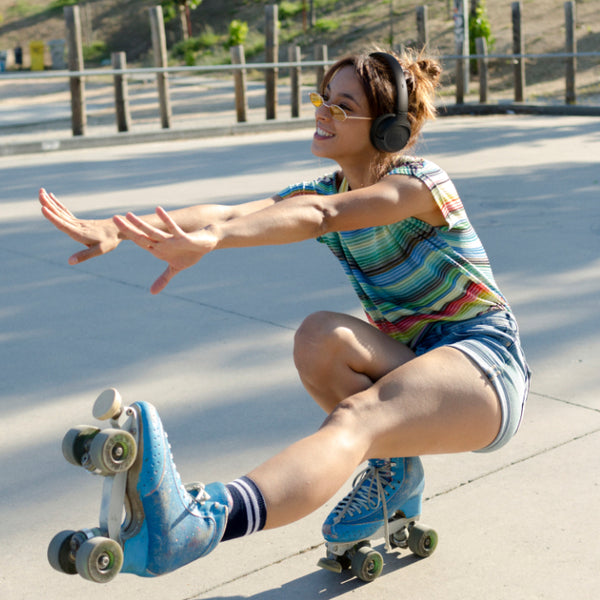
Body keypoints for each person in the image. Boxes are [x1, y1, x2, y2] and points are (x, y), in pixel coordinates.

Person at [40, 48, 530, 579]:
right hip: (412, 364)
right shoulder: (326, 189)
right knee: (318, 336)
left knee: (357, 417)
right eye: (323, 97)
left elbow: (322, 216)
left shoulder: (419, 185)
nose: (322, 111)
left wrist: (216, 238)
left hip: (484, 366)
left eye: (343, 106)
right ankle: (395, 472)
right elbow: (233, 211)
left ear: (387, 130)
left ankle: (201, 521)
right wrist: (117, 228)